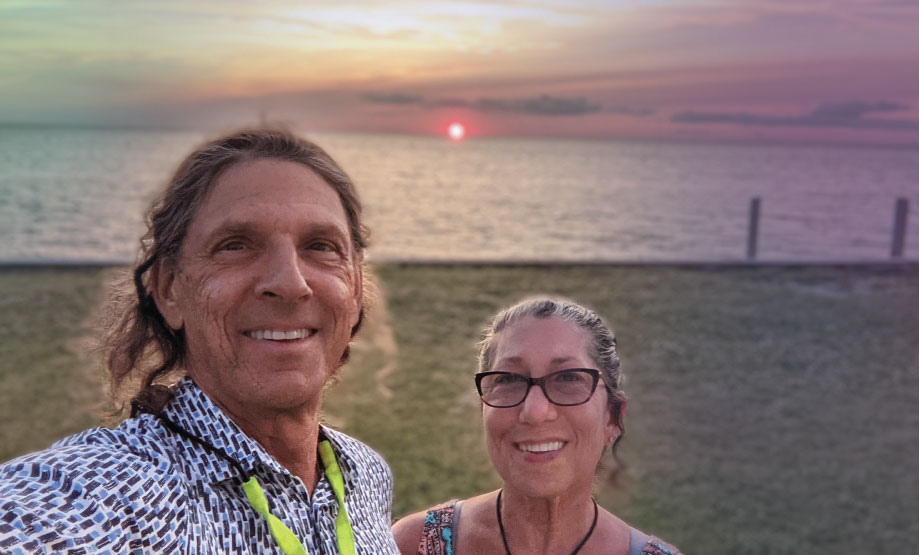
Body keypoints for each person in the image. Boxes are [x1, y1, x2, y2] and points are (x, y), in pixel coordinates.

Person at [0, 128, 400, 554]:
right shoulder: (106, 496)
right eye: (235, 245)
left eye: (320, 246)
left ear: (355, 289)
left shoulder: (364, 474)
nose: (290, 283)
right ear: (170, 289)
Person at [392, 297, 682, 555]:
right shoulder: (412, 545)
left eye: (568, 378)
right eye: (508, 379)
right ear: (484, 410)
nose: (534, 411)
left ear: (613, 418)